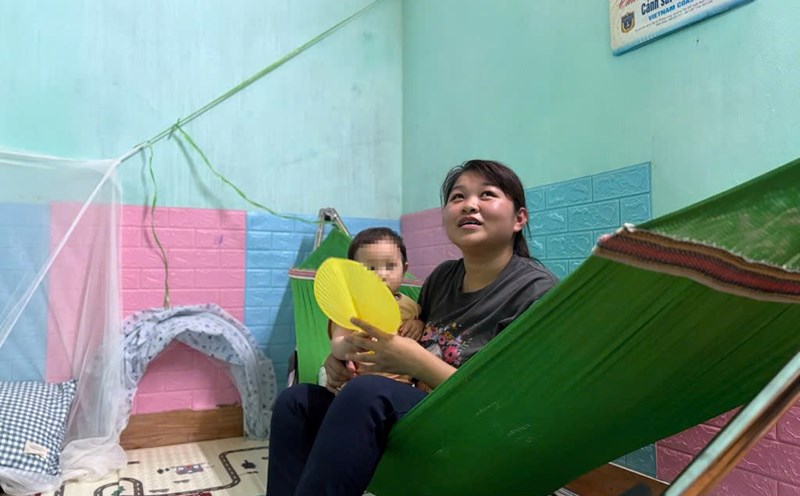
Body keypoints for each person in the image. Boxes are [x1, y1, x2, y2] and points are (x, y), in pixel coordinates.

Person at [267, 160, 558, 496]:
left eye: (487, 195)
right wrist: (340, 363)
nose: (469, 204)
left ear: (519, 218)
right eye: (458, 197)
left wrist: (414, 360)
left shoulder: (534, 291)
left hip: (474, 424)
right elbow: (409, 334)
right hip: (416, 412)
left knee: (367, 393)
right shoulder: (442, 278)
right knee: (296, 402)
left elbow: (509, 405)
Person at [326, 227, 425, 387]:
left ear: (404, 269)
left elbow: (424, 335)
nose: (381, 275)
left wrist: (418, 325)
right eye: (370, 268)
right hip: (357, 385)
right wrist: (352, 344)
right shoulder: (350, 307)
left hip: (401, 386)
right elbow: (337, 344)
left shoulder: (410, 305)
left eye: (390, 266)